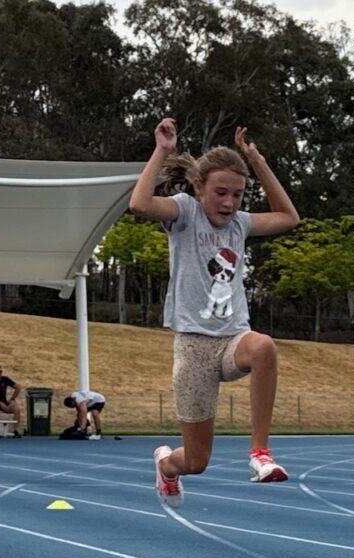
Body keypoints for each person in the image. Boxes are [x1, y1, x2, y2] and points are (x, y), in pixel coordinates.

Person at [128, 117, 300, 508]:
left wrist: (257, 160)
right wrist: (161, 151)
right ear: (199, 187)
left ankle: (260, 454)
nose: (229, 203)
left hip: (232, 338)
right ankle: (166, 466)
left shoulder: (239, 224)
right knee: (196, 461)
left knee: (264, 348)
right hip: (193, 348)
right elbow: (139, 204)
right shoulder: (185, 213)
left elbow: (289, 218)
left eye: (237, 195)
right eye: (221, 193)